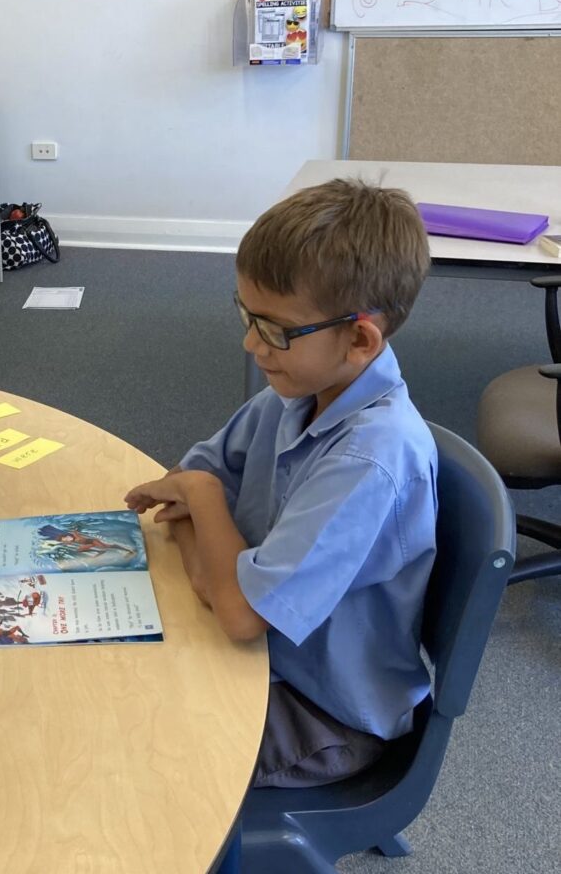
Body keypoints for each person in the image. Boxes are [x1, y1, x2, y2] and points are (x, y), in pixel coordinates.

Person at [125, 179, 437, 788]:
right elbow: (182, 483)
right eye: (247, 317)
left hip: (322, 715)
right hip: (261, 657)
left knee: (136, 754)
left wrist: (209, 514)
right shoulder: (294, 394)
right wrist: (211, 566)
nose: (250, 344)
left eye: (274, 329)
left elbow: (239, 612)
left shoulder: (372, 460)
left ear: (360, 338)